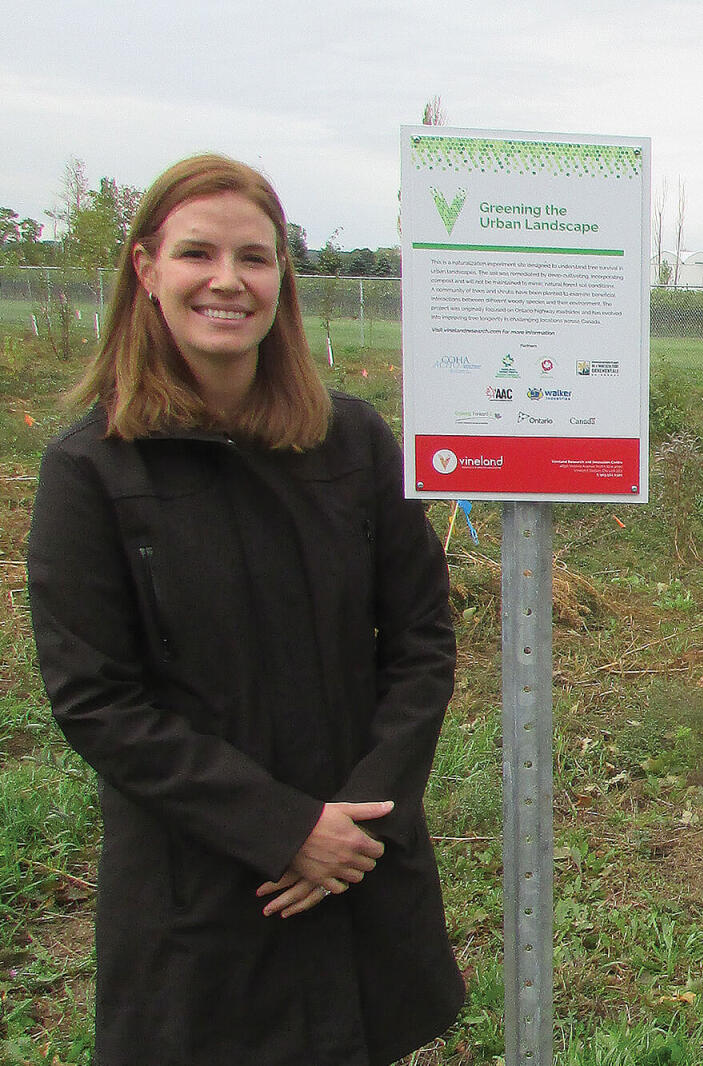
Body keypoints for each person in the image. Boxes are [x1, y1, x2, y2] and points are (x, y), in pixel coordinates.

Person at [27, 155, 464, 1065]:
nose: (228, 281)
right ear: (146, 270)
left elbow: (421, 641)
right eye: (198, 253)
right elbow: (96, 699)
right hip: (207, 882)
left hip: (358, 860)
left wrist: (356, 823)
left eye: (255, 258)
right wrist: (283, 829)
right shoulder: (93, 471)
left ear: (282, 282)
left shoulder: (352, 441)